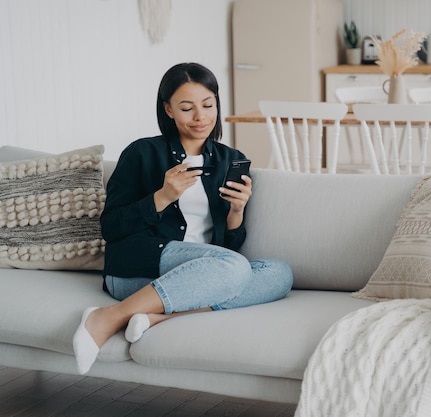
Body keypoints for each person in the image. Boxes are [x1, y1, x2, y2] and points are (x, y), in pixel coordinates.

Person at [72, 62, 293, 375]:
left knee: (280, 273)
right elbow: (111, 228)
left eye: (208, 105)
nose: (200, 117)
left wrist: (237, 212)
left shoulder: (230, 158)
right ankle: (107, 316)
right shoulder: (142, 153)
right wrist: (162, 197)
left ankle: (158, 317)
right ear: (169, 109)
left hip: (202, 275)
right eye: (187, 108)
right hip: (139, 270)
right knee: (233, 268)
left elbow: (229, 247)